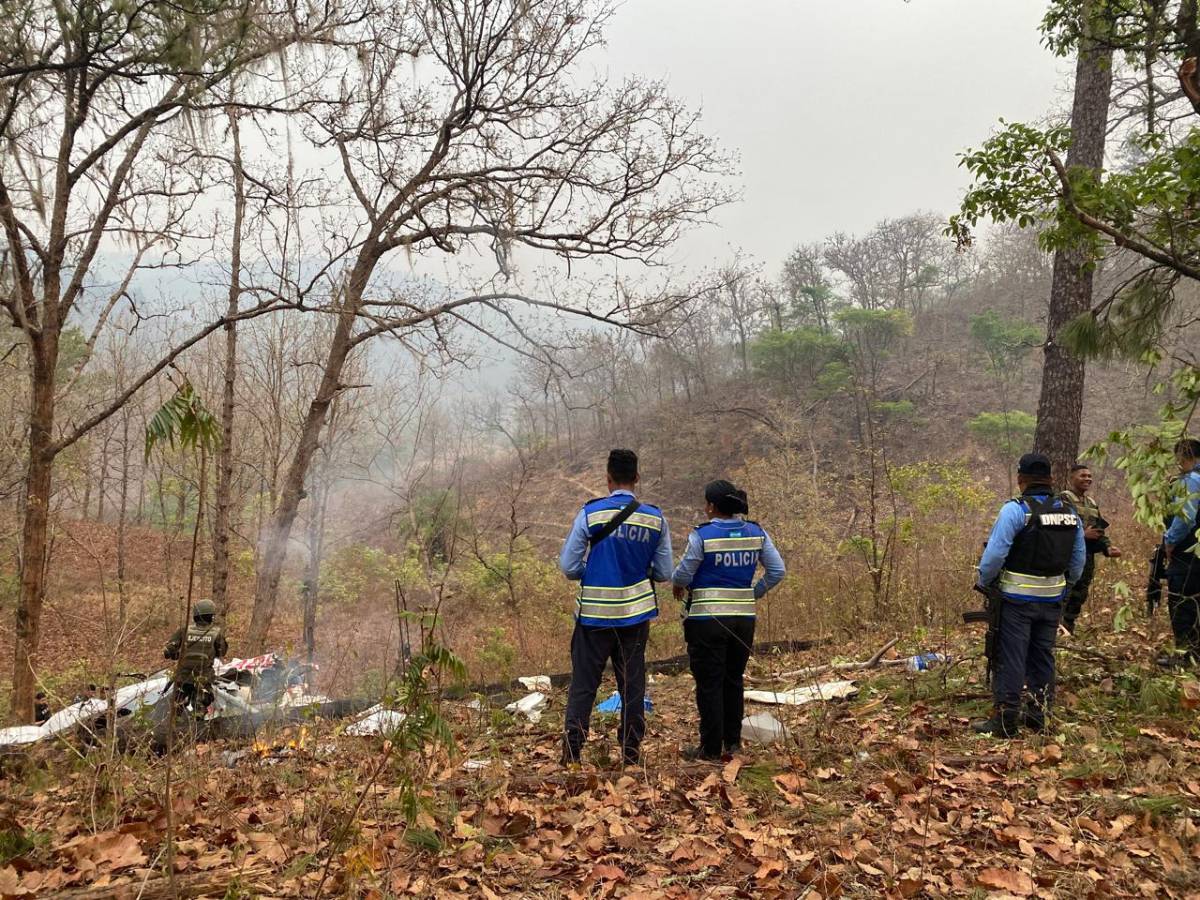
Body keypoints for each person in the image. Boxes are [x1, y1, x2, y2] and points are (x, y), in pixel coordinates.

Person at [559, 449, 672, 766]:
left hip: (593, 617)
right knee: (632, 684)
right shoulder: (655, 518)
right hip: (635, 617)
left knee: (584, 684)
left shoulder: (590, 514)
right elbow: (664, 573)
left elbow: (569, 566)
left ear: (608, 479)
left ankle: (572, 754)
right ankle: (631, 753)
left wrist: (591, 572)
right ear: (637, 478)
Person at [672, 480, 785, 761]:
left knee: (709, 682)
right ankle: (732, 743)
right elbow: (777, 571)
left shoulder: (703, 536)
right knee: (733, 679)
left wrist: (677, 584)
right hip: (743, 619)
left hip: (706, 619)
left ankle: (710, 748)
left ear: (711, 506)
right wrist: (752, 593)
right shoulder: (756, 533)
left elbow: (683, 574)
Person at [973, 453, 1085, 737]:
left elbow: (993, 557)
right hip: (1052, 600)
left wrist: (986, 581)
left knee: (1011, 657)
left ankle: (1006, 719)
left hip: (1016, 601)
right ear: (1050, 479)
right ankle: (1038, 715)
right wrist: (1064, 586)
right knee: (1042, 656)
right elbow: (1078, 562)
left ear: (1021, 479)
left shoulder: (1015, 510)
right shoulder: (1070, 513)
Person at [1060, 462, 1122, 634]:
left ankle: (1068, 628)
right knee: (1063, 592)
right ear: (1071, 478)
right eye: (1083, 476)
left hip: (1086, 557)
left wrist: (1108, 548)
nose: (1087, 479)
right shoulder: (1063, 499)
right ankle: (1055, 629)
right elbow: (1059, 529)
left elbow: (1098, 530)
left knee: (1080, 593)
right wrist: (1081, 535)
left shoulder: (1092, 503)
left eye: (1089, 476)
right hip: (1066, 556)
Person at [1160, 438, 1200, 667]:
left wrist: (1169, 541)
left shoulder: (1190, 480)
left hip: (1188, 556)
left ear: (1184, 456)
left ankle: (1187, 657)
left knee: (1182, 605)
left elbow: (1185, 517)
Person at [164, 598, 228, 718]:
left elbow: (167, 652)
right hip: (203, 678)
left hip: (183, 677)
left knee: (176, 708)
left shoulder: (184, 631)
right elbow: (222, 652)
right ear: (211, 616)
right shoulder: (216, 634)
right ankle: (197, 730)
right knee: (200, 708)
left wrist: (177, 655)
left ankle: (173, 730)